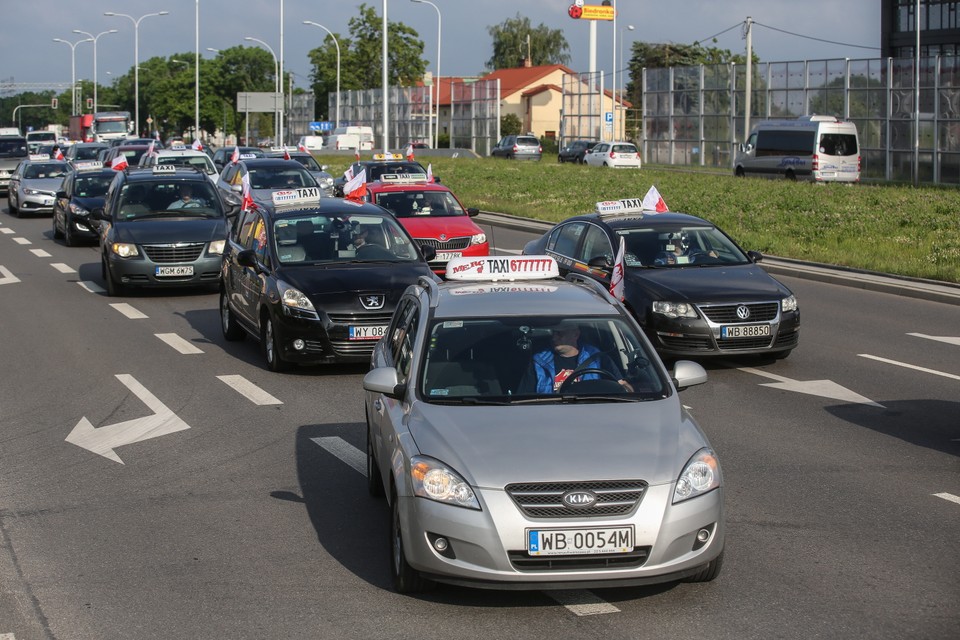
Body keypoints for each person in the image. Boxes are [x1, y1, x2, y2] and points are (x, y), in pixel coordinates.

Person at [520, 322, 633, 394]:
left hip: (593, 412)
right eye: (553, 333)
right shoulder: (538, 362)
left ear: (576, 334)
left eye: (560, 333)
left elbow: (623, 389)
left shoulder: (599, 359)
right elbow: (524, 398)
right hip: (548, 414)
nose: (554, 337)